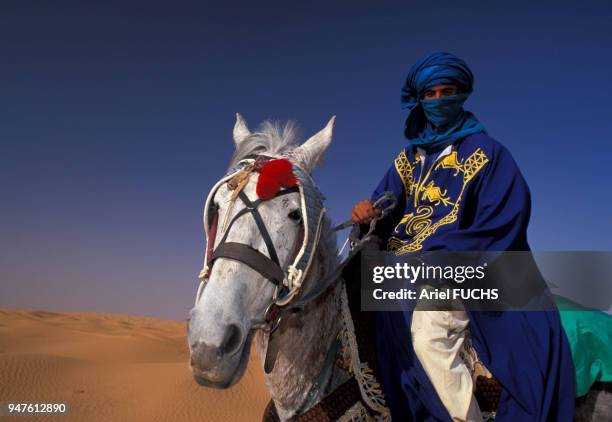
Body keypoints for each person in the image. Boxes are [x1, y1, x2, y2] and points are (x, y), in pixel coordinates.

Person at [351, 52, 575, 421]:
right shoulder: (406, 161)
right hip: (406, 268)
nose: (439, 101)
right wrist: (367, 213)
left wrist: (439, 254)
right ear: (419, 99)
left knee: (429, 336)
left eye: (448, 91)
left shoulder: (488, 153)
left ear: (462, 94)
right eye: (431, 94)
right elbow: (383, 209)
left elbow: (503, 220)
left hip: (467, 267)